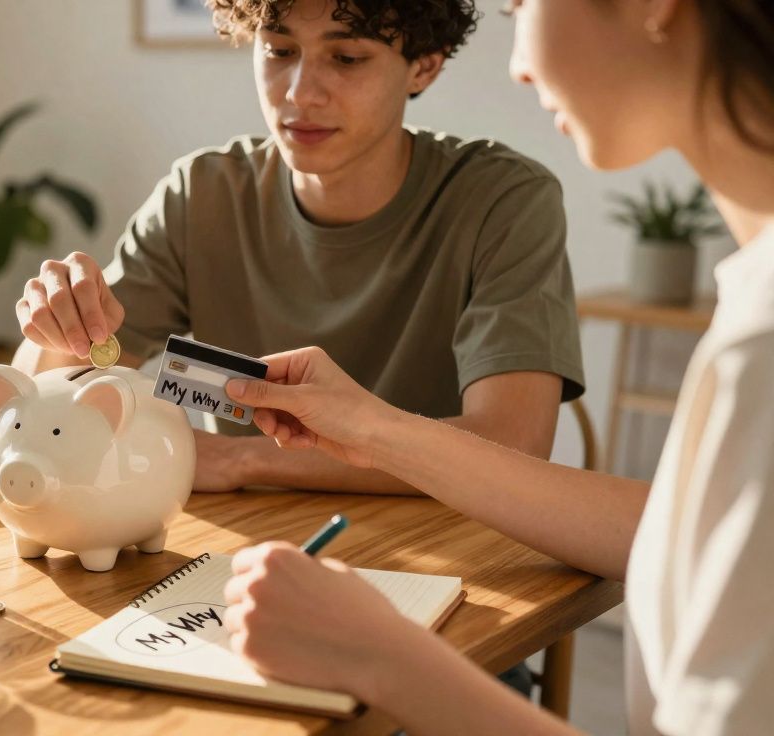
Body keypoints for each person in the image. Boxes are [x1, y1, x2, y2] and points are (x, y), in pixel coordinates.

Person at [220, 1, 774, 733]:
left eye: (522, 4)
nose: (518, 65)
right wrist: (373, 429)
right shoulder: (753, 304)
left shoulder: (759, 349)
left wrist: (377, 653)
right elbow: (676, 535)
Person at [11, 0, 586, 496]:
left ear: (424, 66)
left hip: (450, 546)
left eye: (348, 58)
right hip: (246, 545)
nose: (300, 92)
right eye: (279, 50)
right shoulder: (204, 194)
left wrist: (246, 461)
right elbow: (48, 392)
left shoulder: (502, 201)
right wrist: (59, 327)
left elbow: (516, 443)